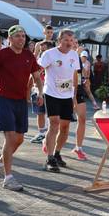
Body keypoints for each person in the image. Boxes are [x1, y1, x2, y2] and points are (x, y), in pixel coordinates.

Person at [0, 25, 43, 191]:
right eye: (17, 36)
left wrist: (39, 92)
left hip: (21, 102)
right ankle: (8, 178)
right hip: (3, 100)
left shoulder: (28, 55)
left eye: (23, 36)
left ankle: (1, 162)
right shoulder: (2, 54)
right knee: (10, 138)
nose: (21, 39)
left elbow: (37, 77)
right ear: (10, 38)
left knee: (19, 139)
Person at [38, 29, 80, 173]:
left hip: (66, 96)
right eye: (66, 40)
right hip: (51, 93)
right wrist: (36, 90)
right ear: (59, 40)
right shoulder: (49, 54)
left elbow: (75, 76)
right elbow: (38, 70)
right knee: (54, 124)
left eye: (71, 40)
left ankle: (56, 153)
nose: (69, 43)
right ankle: (49, 159)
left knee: (65, 127)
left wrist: (74, 96)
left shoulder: (74, 55)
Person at [30, 41, 54, 143]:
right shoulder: (39, 60)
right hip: (37, 89)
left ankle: (50, 134)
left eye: (44, 49)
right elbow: (34, 73)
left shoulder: (54, 60)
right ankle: (41, 133)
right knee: (39, 112)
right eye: (41, 50)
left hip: (50, 90)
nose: (42, 51)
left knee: (51, 114)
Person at [72, 51, 88, 160]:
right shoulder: (56, 55)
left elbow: (79, 75)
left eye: (74, 42)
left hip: (77, 91)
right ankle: (48, 142)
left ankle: (78, 147)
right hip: (61, 92)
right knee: (60, 123)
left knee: (82, 119)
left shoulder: (77, 58)